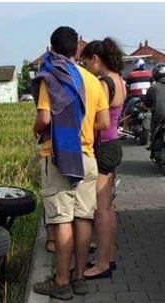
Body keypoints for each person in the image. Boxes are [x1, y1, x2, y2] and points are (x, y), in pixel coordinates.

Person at [31, 26, 110, 300]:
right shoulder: (91, 80)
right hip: (88, 158)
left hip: (60, 158)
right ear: (77, 48)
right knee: (83, 217)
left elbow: (44, 118)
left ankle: (61, 282)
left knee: (62, 218)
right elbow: (104, 122)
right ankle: (78, 278)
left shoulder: (51, 76)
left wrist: (35, 131)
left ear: (51, 48)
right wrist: (83, 130)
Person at [78, 38, 126, 280]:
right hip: (114, 145)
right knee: (107, 206)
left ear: (96, 59)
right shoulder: (120, 79)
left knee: (100, 209)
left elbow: (101, 121)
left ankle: (102, 264)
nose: (86, 68)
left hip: (104, 146)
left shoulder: (104, 83)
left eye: (86, 63)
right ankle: (110, 256)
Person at [143, 64, 165, 148]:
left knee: (153, 125)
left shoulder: (153, 87)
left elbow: (147, 104)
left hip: (159, 117)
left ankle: (152, 143)